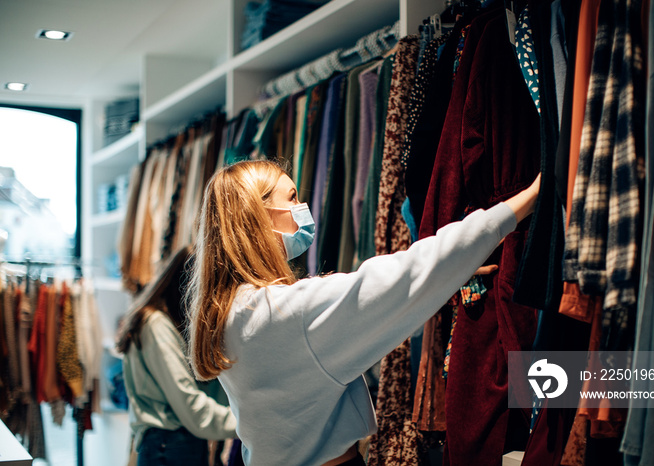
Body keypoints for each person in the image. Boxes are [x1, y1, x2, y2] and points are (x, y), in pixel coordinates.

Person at [186, 160, 540, 466]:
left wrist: (450, 275)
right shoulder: (285, 312)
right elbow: (402, 276)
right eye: (292, 197)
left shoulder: (231, 313)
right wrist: (524, 201)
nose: (303, 205)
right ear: (259, 218)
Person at [116, 246, 238, 466]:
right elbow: (189, 403)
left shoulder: (164, 324)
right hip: (170, 445)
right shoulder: (155, 326)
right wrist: (246, 422)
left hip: (175, 444)